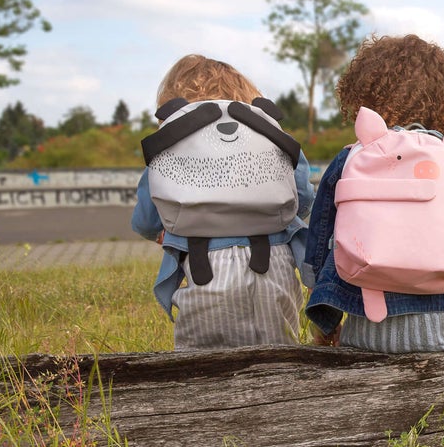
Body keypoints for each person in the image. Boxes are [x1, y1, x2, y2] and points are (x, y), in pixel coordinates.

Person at [131, 54, 314, 350]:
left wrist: (161, 233)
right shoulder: (270, 135)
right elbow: (303, 197)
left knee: (200, 361)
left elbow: (146, 219)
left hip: (205, 268)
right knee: (280, 353)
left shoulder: (170, 146)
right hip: (274, 264)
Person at [304, 34, 444, 352]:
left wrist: (323, 313)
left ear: (366, 96)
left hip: (365, 331)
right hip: (440, 334)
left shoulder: (352, 158)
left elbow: (321, 243)